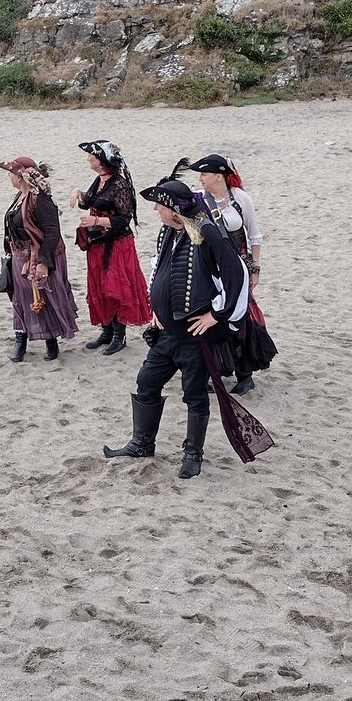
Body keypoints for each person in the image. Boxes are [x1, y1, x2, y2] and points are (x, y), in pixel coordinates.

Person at [103, 169, 248, 478]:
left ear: (173, 206)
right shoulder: (169, 231)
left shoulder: (208, 232)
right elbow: (161, 269)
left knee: (194, 394)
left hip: (195, 337)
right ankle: (142, 443)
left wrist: (217, 315)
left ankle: (193, 454)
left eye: (159, 203)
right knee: (147, 382)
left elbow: (238, 276)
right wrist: (157, 308)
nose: (156, 209)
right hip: (166, 333)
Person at [190, 153, 276, 394]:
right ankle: (211, 370)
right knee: (209, 315)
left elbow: (254, 236)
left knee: (241, 318)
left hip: (239, 271)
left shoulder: (241, 199)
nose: (200, 179)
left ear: (219, 176)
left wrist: (255, 270)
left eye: (204, 174)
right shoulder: (198, 200)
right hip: (209, 270)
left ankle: (245, 374)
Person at [68, 140, 151, 355]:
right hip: (98, 243)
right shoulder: (100, 180)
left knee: (117, 288)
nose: (88, 158)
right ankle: (106, 330)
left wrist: (95, 222)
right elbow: (90, 203)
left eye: (91, 156)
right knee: (101, 287)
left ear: (102, 160)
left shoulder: (119, 184)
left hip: (117, 243)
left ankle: (118, 335)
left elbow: (124, 218)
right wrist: (78, 192)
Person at [0, 155, 78, 362]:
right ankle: (21, 338)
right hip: (19, 255)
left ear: (21, 176)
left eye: (11, 174)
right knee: (20, 297)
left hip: (38, 255)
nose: (9, 177)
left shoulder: (40, 199)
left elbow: (52, 232)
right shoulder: (20, 196)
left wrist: (43, 262)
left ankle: (51, 340)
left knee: (42, 297)